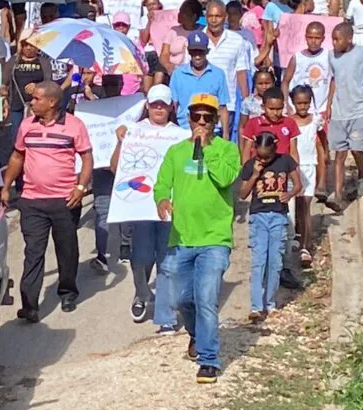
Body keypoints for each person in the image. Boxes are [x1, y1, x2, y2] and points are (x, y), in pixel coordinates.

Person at [153, 93, 241, 383]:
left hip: (214, 238)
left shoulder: (227, 149)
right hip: (181, 238)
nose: (201, 122)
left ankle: (209, 360)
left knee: (206, 298)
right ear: (188, 119)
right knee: (182, 300)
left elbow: (226, 178)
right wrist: (162, 200)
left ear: (215, 121)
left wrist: (206, 149)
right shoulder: (176, 152)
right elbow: (161, 184)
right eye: (196, 116)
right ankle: (196, 334)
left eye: (208, 117)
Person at [2, 81, 94, 321]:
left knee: (67, 249)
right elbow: (17, 156)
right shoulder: (26, 125)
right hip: (32, 201)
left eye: (37, 99)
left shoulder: (74, 126)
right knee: (33, 252)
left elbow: (86, 158)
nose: (32, 102)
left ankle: (67, 292)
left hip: (65, 201)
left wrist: (81, 187)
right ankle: (30, 305)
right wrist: (6, 186)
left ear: (52, 102)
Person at [110, 85, 190, 327]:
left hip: (169, 206)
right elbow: (115, 168)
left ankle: (165, 311)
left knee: (167, 259)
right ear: (147, 105)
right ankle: (141, 293)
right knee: (141, 256)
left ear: (171, 107)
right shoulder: (134, 131)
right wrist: (120, 142)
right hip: (141, 207)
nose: (158, 108)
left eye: (163, 104)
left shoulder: (181, 135)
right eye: (155, 104)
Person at [239, 131, 302, 323]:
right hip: (258, 217)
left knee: (275, 262)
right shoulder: (251, 165)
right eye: (260, 156)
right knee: (259, 261)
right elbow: (243, 194)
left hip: (278, 216)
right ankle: (256, 307)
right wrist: (255, 174)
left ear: (275, 149)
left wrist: (289, 194)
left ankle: (271, 303)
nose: (263, 160)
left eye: (267, 156)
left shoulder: (286, 161)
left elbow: (298, 184)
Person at [327, 23, 363, 208]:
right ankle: (337, 195)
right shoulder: (332, 56)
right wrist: (328, 105)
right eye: (333, 39)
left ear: (349, 39)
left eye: (338, 39)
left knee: (356, 149)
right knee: (339, 153)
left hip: (359, 110)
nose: (334, 43)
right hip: (339, 112)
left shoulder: (362, 53)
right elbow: (333, 80)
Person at [200, 1, 252, 137]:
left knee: (223, 143)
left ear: (225, 17)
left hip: (228, 103)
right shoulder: (198, 38)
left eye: (218, 16)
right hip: (201, 102)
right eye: (210, 16)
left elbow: (241, 72)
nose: (214, 20)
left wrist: (246, 102)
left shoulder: (237, 40)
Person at [289, 84, 326, 266]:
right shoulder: (288, 122)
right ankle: (296, 236)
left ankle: (306, 247)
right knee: (294, 206)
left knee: (305, 206)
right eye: (299, 103)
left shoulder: (315, 120)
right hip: (293, 168)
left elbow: (321, 144)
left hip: (309, 166)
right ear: (293, 103)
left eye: (306, 103)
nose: (303, 107)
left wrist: (322, 177)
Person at [168, 30, 230, 137]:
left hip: (211, 130)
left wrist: (225, 134)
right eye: (194, 52)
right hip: (184, 130)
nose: (197, 56)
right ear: (188, 51)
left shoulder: (218, 74)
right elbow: (173, 105)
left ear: (207, 51)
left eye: (201, 52)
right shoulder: (178, 74)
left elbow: (222, 107)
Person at [283, 21, 333, 121]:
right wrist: (286, 104)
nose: (313, 41)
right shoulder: (297, 57)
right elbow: (285, 82)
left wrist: (329, 105)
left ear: (323, 39)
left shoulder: (329, 56)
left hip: (321, 109)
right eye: (310, 37)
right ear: (305, 37)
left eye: (317, 38)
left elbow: (333, 81)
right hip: (299, 109)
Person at [160, 0, 204, 73]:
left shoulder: (203, 31)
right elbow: (164, 54)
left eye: (183, 12)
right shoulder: (173, 31)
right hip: (175, 71)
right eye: (180, 11)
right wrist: (168, 65)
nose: (179, 14)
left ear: (194, 16)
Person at [238, 67, 277, 135]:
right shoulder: (248, 102)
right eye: (260, 84)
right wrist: (242, 142)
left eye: (267, 83)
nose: (264, 87)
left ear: (273, 83)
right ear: (255, 84)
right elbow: (242, 127)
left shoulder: (278, 101)